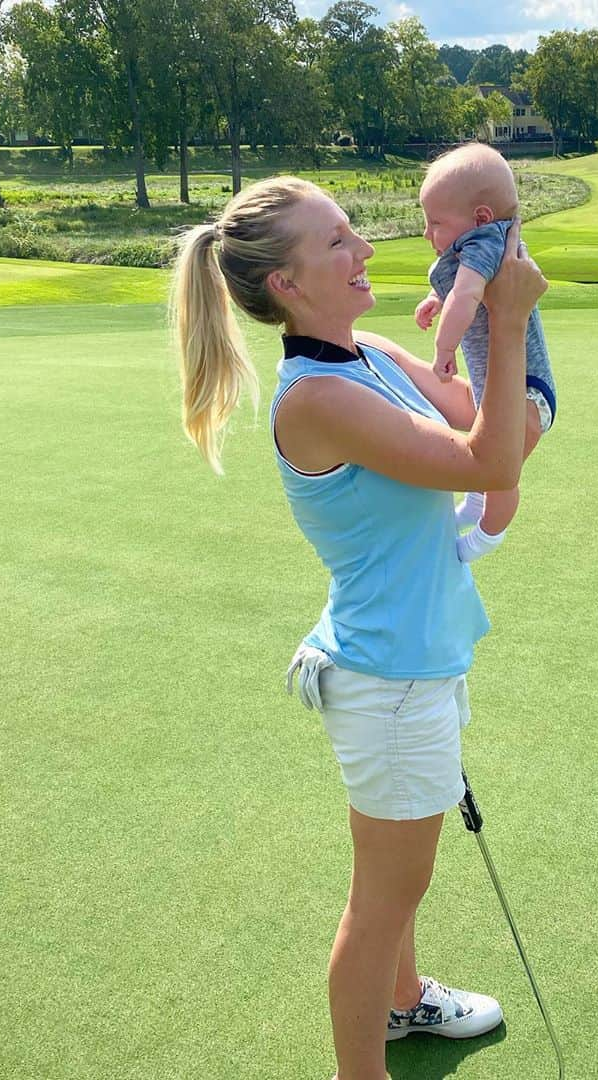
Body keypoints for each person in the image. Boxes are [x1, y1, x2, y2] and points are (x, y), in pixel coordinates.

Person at [170, 175, 547, 1080]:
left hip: (410, 662)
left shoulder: (367, 352)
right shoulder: (314, 399)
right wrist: (507, 316)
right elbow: (486, 457)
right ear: (289, 286)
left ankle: (403, 1001)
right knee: (384, 897)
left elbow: (479, 419)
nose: (366, 250)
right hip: (390, 683)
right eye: (337, 241)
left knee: (397, 877)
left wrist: (510, 315)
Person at [414, 143, 557, 564]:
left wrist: (444, 347)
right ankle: (475, 505)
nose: (427, 234)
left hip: (526, 393)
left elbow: (468, 292)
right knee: (485, 449)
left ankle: (487, 535)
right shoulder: (486, 244)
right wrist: (436, 298)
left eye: (435, 223)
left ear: (479, 218)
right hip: (504, 386)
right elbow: (465, 287)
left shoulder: (486, 242)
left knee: (500, 470)